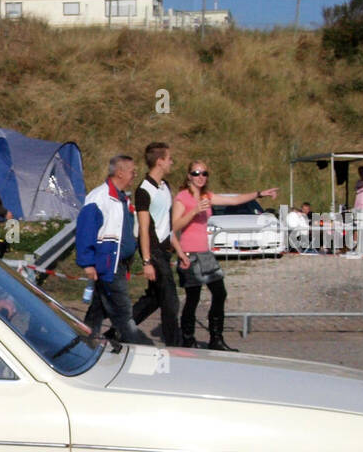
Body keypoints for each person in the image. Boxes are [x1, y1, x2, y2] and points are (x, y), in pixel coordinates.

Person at [173, 160, 277, 350]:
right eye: (196, 173)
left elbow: (234, 200)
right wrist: (194, 211)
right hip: (189, 252)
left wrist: (260, 193)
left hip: (205, 252)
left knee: (220, 293)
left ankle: (216, 339)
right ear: (189, 175)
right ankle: (187, 339)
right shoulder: (182, 197)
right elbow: (175, 226)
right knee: (193, 297)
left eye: (204, 173)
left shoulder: (207, 196)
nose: (200, 177)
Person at [74, 155, 153, 347]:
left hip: (118, 263)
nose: (135, 175)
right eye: (132, 171)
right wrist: (87, 263)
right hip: (108, 264)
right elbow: (85, 232)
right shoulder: (99, 198)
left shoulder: (123, 199)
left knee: (98, 309)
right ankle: (143, 347)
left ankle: (86, 342)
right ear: (120, 172)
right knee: (123, 311)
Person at [130, 142, 187, 346]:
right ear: (160, 161)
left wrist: (179, 250)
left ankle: (119, 330)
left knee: (153, 298)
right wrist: (146, 261)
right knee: (170, 300)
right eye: (169, 158)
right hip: (152, 250)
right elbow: (144, 229)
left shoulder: (165, 187)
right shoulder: (144, 190)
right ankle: (175, 345)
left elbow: (167, 224)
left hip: (164, 249)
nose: (172, 162)